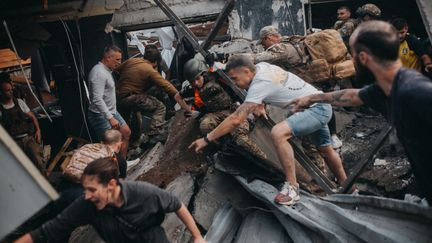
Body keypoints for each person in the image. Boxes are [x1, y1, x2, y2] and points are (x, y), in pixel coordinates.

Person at [289, 21, 432, 204]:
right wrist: (312, 98)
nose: (351, 60)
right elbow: (353, 95)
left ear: (363, 58)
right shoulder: (386, 89)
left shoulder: (416, 93)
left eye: (352, 55)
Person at [189, 56, 348, 205]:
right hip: (318, 102)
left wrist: (206, 139)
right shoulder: (262, 67)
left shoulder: (260, 83)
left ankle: (292, 188)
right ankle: (348, 188)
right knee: (325, 149)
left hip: (316, 109)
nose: (235, 83)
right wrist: (259, 104)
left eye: (235, 79)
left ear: (246, 71)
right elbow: (268, 87)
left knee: (279, 133)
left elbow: (236, 119)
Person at [15, 157, 206, 243]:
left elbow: (177, 204)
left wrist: (197, 236)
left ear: (112, 184)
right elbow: (46, 232)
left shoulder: (144, 193)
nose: (87, 195)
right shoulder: (87, 204)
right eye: (85, 190)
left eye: (92, 190)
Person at [257, 25, 344, 149]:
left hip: (309, 79)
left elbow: (259, 59)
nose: (263, 46)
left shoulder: (281, 48)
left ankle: (328, 138)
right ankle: (328, 137)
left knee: (317, 106)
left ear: (269, 38)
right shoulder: (291, 41)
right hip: (316, 75)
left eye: (263, 42)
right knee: (318, 105)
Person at [181, 57, 265, 158]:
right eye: (192, 81)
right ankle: (224, 149)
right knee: (205, 125)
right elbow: (178, 96)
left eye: (197, 79)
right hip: (214, 114)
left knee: (241, 139)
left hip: (232, 110)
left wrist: (215, 60)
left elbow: (229, 70)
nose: (196, 83)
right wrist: (191, 111)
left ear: (203, 73)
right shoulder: (192, 89)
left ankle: (263, 158)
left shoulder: (216, 76)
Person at [116, 48, 191, 142]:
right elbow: (169, 87)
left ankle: (132, 144)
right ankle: (154, 134)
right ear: (155, 62)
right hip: (132, 97)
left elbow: (116, 70)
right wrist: (185, 104)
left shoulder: (132, 60)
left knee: (132, 123)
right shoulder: (150, 70)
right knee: (160, 107)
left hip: (118, 98)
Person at [55, 129, 127, 213]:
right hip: (82, 194)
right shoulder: (117, 159)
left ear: (102, 141)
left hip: (62, 186)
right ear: (119, 145)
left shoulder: (86, 146)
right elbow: (120, 183)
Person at [87, 45, 131, 157]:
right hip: (100, 115)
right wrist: (110, 118)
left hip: (112, 111)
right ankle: (115, 169)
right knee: (110, 146)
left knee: (126, 132)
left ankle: (122, 164)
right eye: (117, 59)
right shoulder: (99, 73)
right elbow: (97, 99)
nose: (120, 62)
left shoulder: (107, 70)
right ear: (108, 58)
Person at [0, 73, 45, 175]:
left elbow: (32, 116)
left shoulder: (19, 102)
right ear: (1, 92)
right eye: (7, 91)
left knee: (39, 162)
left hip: (27, 138)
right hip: (13, 142)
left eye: (11, 90)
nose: (10, 92)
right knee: (20, 170)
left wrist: (38, 130)